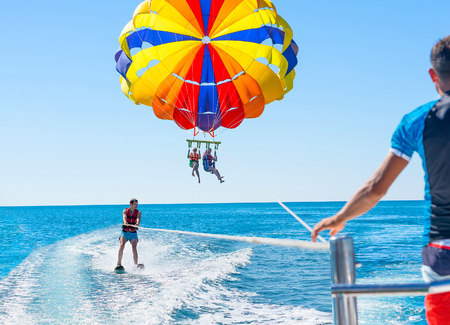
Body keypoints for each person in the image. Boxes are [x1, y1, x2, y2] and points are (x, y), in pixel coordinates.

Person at [311, 36, 450, 325]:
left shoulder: (416, 121)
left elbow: (376, 188)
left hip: (442, 252)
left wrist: (339, 217)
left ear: (432, 75)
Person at [117, 198, 141, 268]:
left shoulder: (138, 212)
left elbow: (138, 219)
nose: (136, 205)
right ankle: (119, 263)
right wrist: (125, 222)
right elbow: (124, 217)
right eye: (135, 204)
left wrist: (137, 223)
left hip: (133, 232)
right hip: (125, 232)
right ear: (131, 204)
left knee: (134, 247)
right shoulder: (125, 211)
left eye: (137, 204)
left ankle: (135, 265)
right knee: (122, 245)